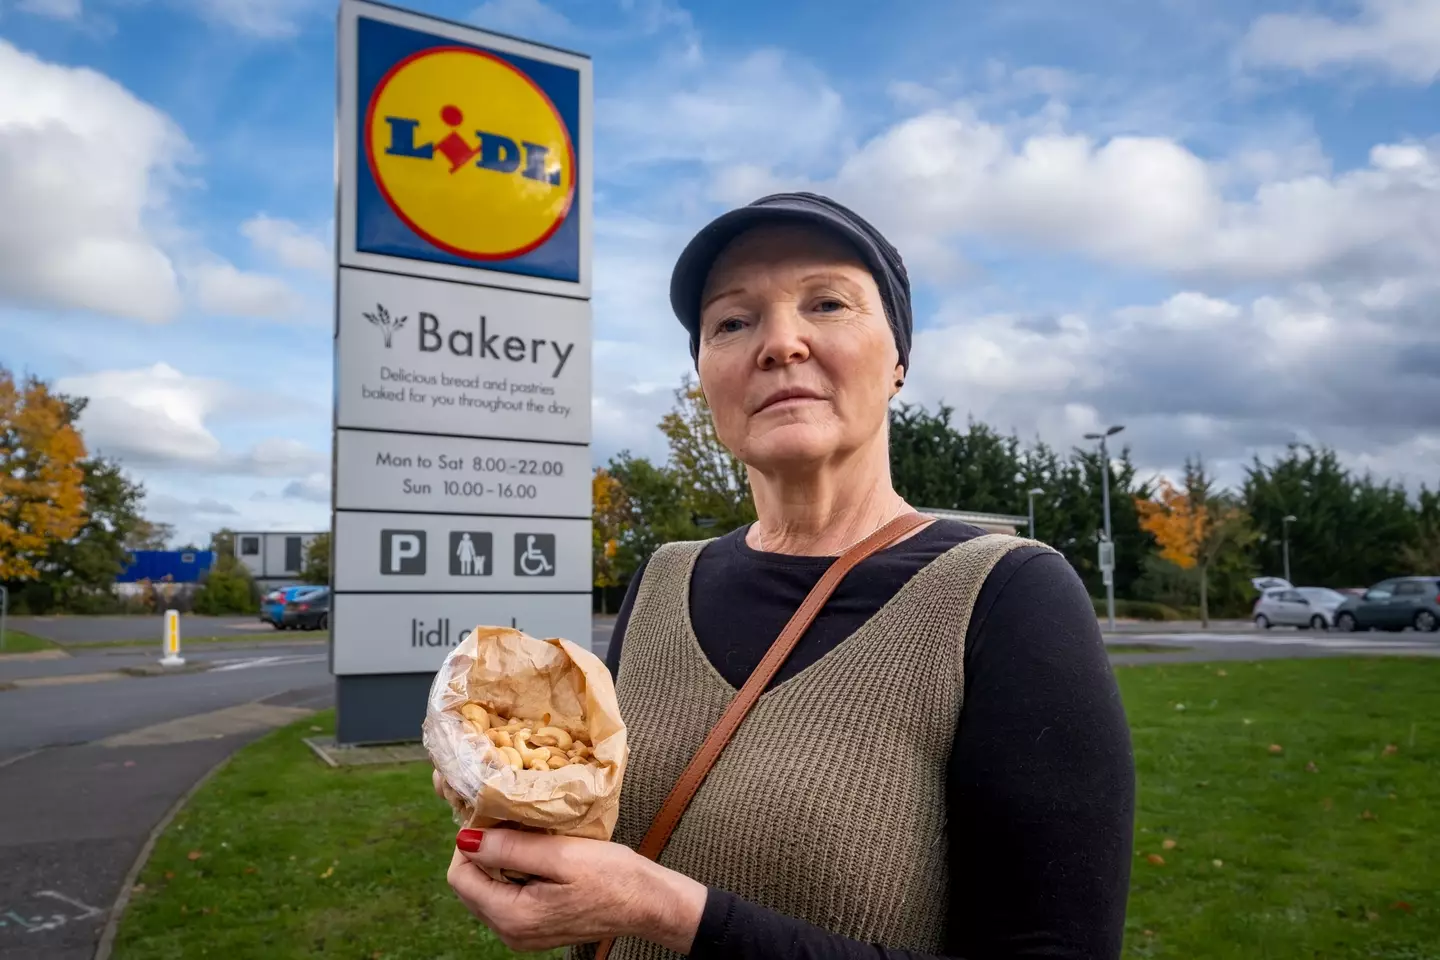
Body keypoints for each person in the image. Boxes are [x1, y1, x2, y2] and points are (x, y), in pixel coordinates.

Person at [441, 192, 1135, 959]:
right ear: (707, 378)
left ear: (899, 362)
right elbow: (602, 822)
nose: (779, 344)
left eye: (828, 303)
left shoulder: (1005, 594)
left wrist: (671, 912)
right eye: (731, 322)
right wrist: (519, 819)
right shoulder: (666, 578)